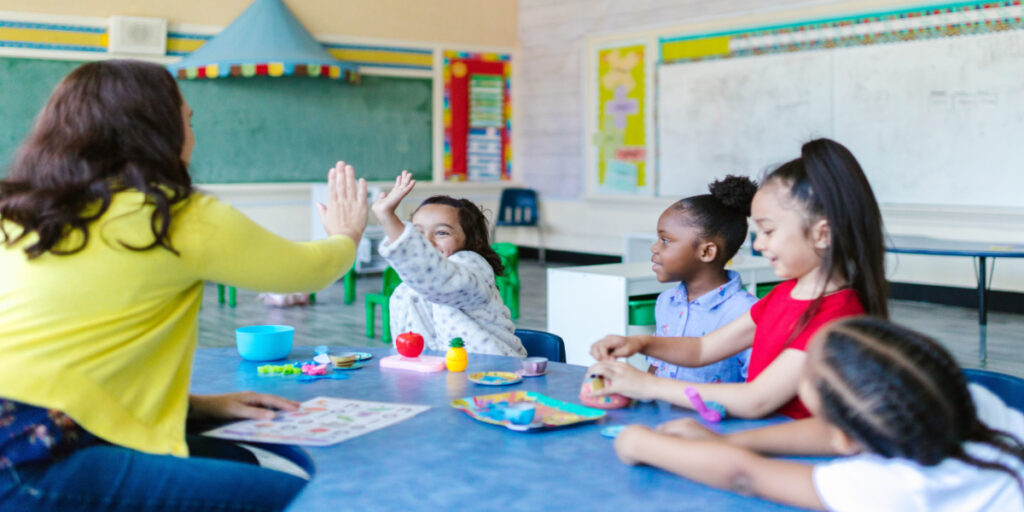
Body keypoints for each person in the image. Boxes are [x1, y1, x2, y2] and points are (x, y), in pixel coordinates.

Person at [0, 60, 367, 511]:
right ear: (154, 131)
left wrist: (200, 406)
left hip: (30, 434)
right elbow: (306, 272)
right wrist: (346, 235)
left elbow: (62, 359)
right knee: (310, 501)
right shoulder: (171, 216)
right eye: (187, 121)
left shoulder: (20, 213)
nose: (192, 136)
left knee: (236, 459)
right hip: (29, 460)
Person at [587, 138, 887, 419]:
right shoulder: (783, 296)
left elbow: (756, 399)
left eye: (768, 231)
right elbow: (702, 349)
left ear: (822, 233)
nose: (757, 245)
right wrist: (639, 342)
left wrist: (646, 386)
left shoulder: (836, 317)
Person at [613, 317, 1024, 511]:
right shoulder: (959, 398)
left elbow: (746, 476)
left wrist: (639, 442)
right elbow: (826, 432)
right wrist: (729, 440)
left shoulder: (890, 488)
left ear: (844, 439)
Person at [372, 170, 525, 356]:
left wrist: (388, 217)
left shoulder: (473, 269)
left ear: (472, 240)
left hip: (494, 373)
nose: (427, 242)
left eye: (442, 233)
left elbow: (439, 280)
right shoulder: (406, 290)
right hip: (439, 376)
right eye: (417, 233)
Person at [644, 175, 759, 383]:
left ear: (706, 252)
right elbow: (656, 367)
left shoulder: (746, 313)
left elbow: (756, 388)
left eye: (665, 240)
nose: (654, 248)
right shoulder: (666, 301)